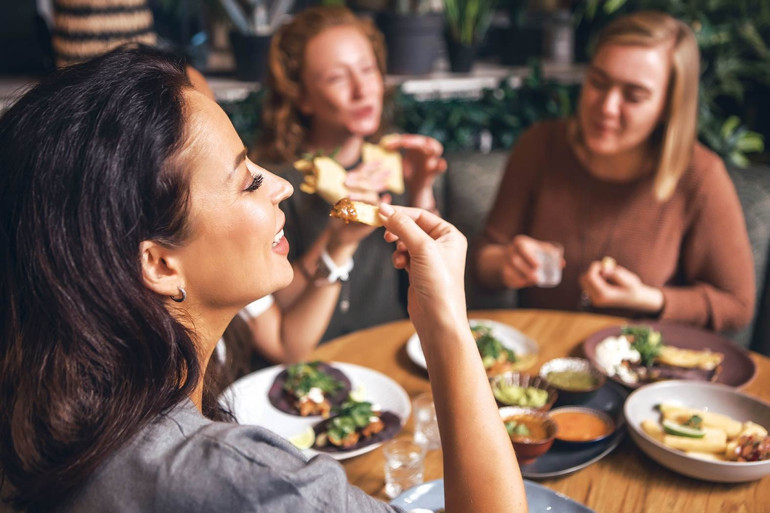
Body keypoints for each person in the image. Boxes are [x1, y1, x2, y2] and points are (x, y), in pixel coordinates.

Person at [0, 46, 526, 512]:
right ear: (159, 264)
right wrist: (447, 325)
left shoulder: (58, 430)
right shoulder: (252, 483)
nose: (280, 186)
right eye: (248, 179)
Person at [472, 11, 754, 332]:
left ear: (668, 107)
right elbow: (483, 263)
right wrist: (506, 262)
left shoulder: (701, 175)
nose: (606, 107)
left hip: (641, 369)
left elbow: (738, 307)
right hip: (541, 357)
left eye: (634, 96)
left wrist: (650, 299)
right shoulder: (540, 145)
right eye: (598, 82)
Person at [253, 6, 447, 340]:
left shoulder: (398, 166)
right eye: (337, 77)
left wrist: (420, 190)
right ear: (303, 98)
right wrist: (336, 237)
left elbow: (429, 284)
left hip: (389, 349)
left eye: (368, 70)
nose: (362, 90)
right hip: (318, 364)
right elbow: (278, 302)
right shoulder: (276, 185)